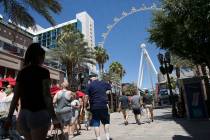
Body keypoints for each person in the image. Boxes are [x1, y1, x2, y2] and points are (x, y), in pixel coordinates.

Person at [4, 43, 61, 140]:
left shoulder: (22, 72)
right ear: (39, 57)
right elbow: (47, 96)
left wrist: (9, 117)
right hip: (39, 114)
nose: (44, 59)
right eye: (43, 56)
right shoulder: (44, 72)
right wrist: (54, 118)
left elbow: (16, 97)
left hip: (24, 115)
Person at [86, 74, 112, 140]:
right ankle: (108, 138)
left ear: (90, 79)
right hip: (103, 105)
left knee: (96, 124)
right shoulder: (103, 83)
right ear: (96, 77)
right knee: (106, 122)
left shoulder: (89, 85)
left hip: (94, 106)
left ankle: (98, 138)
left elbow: (87, 96)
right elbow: (109, 88)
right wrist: (105, 92)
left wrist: (86, 104)